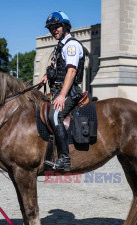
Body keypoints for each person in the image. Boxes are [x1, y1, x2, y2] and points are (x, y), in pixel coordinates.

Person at [41, 11, 85, 172]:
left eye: (56, 26)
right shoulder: (59, 46)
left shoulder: (71, 45)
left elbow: (71, 72)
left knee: (55, 115)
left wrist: (61, 96)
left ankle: (65, 159)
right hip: (57, 88)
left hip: (69, 91)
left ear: (65, 26)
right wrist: (47, 75)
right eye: (51, 28)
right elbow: (58, 68)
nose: (54, 30)